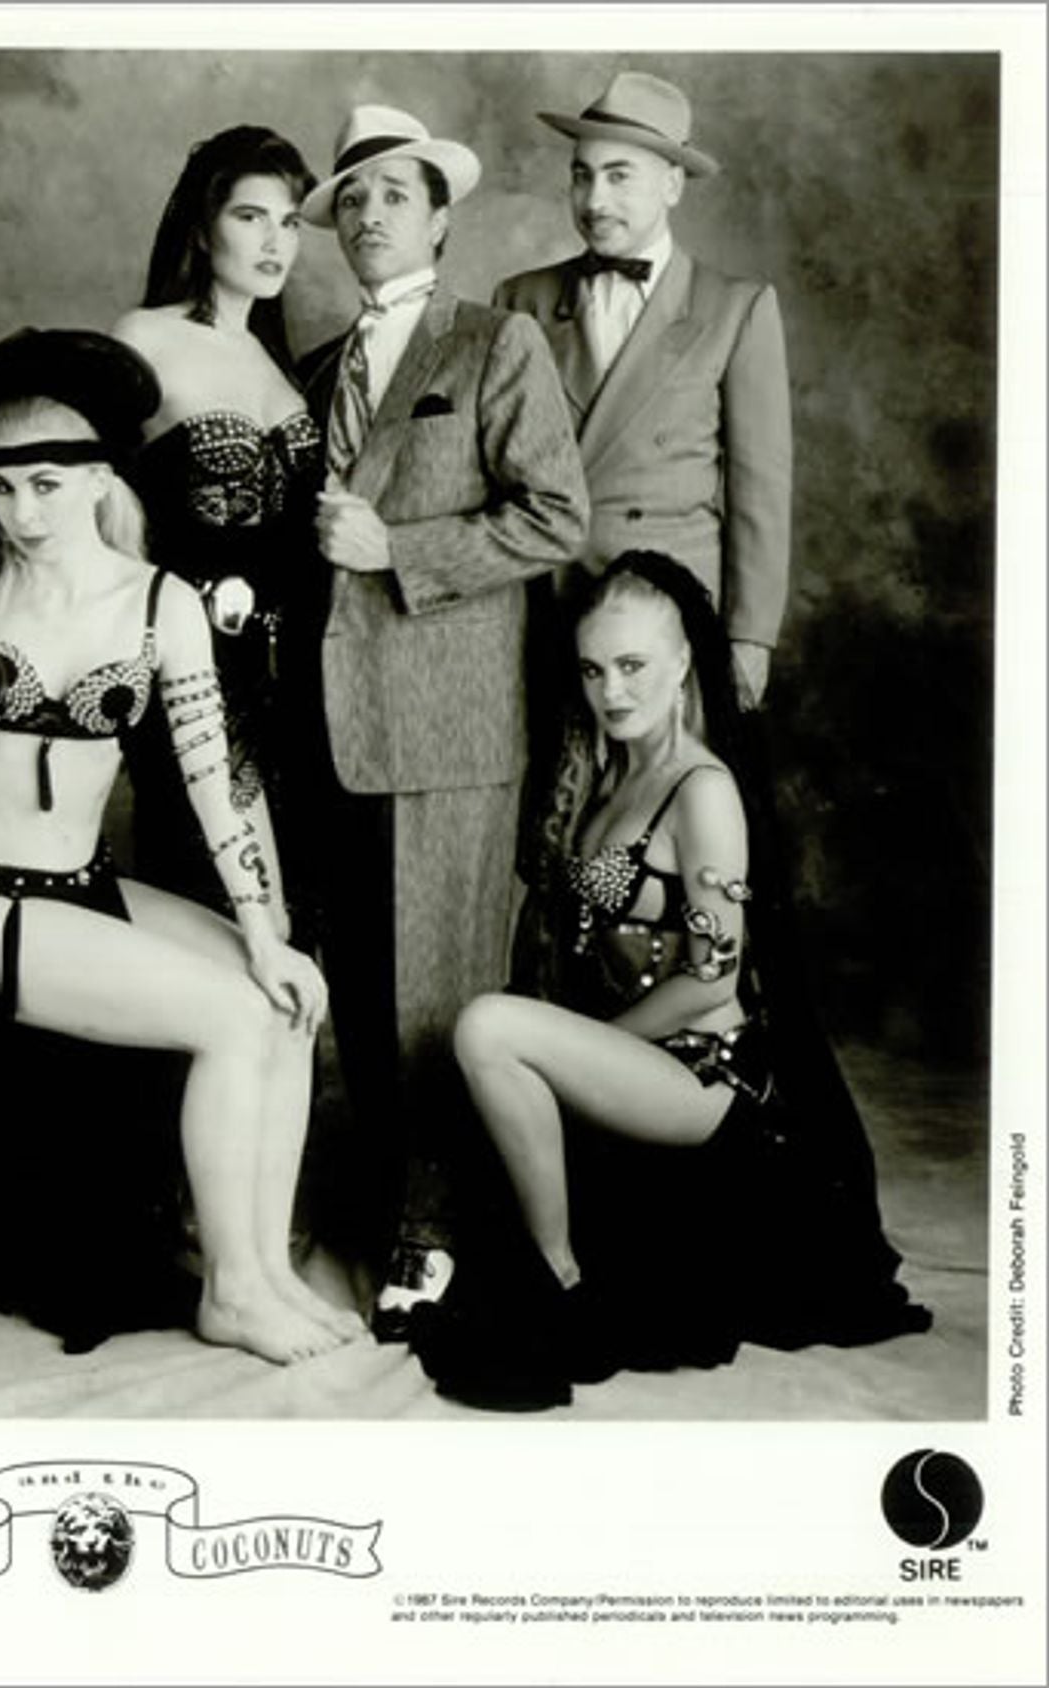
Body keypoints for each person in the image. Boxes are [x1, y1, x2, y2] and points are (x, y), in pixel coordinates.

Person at [0, 328, 357, 1367]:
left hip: (79, 888)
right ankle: (232, 1290)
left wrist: (265, 933)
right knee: (235, 1017)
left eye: (47, 486)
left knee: (284, 996)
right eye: (4, 489)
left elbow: (218, 783)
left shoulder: (160, 603)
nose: (22, 514)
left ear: (101, 477)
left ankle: (265, 1269)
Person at [409, 551, 931, 1409]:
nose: (611, 691)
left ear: (684, 660)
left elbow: (714, 981)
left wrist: (590, 1047)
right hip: (641, 1062)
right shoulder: (613, 770)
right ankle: (551, 1259)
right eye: (593, 670)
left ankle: (561, 1276)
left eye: (633, 666)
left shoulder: (703, 790)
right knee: (482, 1051)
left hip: (705, 1078)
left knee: (488, 1027)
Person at [294, 104, 590, 1334]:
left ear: (439, 220)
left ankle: (434, 1229)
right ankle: (378, 1198)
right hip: (333, 725)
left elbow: (554, 517)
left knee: (436, 990)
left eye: (393, 196)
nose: (369, 216)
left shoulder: (492, 342)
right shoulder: (315, 368)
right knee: (362, 991)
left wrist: (397, 549)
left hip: (451, 725)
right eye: (351, 200)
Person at [494, 70, 791, 708]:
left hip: (669, 615)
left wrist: (750, 637)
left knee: (666, 770)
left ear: (672, 184)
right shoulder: (520, 300)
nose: (594, 199)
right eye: (582, 175)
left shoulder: (735, 307)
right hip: (546, 607)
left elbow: (760, 490)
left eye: (619, 175)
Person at [112, 127, 322, 924]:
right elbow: (105, 515)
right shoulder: (144, 338)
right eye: (250, 217)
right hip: (194, 666)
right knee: (218, 905)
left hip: (291, 674)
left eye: (290, 222)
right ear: (201, 230)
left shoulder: (283, 366)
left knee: (293, 907)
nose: (275, 241)